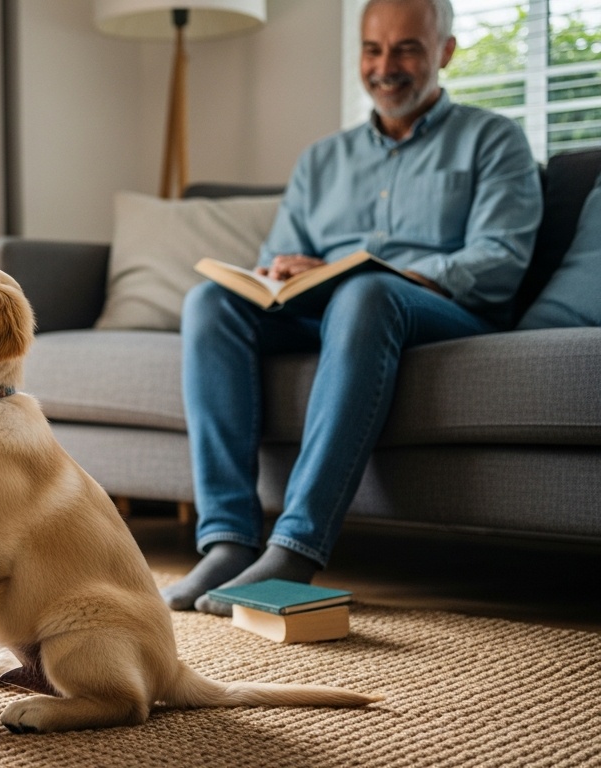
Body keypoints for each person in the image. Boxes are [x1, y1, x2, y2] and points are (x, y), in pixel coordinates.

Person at [162, 0, 542, 615]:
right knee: (211, 300)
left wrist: (385, 273)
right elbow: (280, 254)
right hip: (329, 307)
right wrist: (280, 269)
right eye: (373, 49)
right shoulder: (322, 159)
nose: (386, 66)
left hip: (434, 310)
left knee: (367, 290)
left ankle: (297, 548)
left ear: (444, 52)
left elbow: (499, 261)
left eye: (407, 49)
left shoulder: (492, 140)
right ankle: (228, 540)